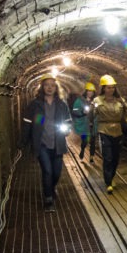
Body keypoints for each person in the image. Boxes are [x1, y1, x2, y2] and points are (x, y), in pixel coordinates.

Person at [22, 73, 72, 212]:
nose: (49, 88)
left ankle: (51, 187)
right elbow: (28, 123)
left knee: (56, 172)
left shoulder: (61, 105)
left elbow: (68, 120)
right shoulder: (35, 105)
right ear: (42, 87)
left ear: (56, 88)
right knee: (47, 171)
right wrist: (23, 142)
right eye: (46, 85)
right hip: (42, 143)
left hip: (57, 143)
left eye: (52, 85)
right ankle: (48, 199)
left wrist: (67, 129)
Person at [92, 74, 127, 194]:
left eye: (113, 87)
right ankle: (108, 182)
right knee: (107, 157)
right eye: (108, 87)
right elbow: (92, 113)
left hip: (117, 131)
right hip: (104, 131)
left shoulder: (120, 101)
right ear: (103, 88)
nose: (111, 90)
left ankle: (111, 176)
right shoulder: (97, 101)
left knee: (115, 158)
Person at [70, 82, 98, 163]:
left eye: (92, 91)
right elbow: (74, 111)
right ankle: (82, 150)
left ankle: (91, 158)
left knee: (92, 142)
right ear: (86, 91)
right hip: (85, 125)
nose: (90, 93)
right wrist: (82, 112)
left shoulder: (95, 101)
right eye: (89, 91)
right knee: (85, 141)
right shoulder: (80, 100)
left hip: (93, 125)